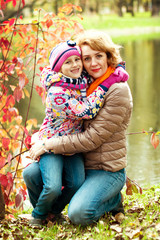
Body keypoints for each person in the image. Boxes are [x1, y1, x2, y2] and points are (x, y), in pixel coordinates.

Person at [23, 39, 126, 225]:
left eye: (99, 56)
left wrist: (47, 144)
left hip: (104, 168)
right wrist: (44, 139)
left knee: (78, 213)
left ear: (108, 57)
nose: (91, 63)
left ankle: (111, 201)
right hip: (68, 150)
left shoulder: (114, 89)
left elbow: (90, 136)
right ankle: (42, 214)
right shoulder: (74, 85)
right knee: (33, 174)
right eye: (87, 58)